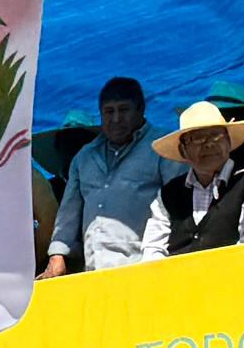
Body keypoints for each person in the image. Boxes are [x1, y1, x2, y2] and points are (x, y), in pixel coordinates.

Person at [43, 78, 160, 275]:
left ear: (141, 110)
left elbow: (176, 208)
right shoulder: (84, 157)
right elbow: (68, 214)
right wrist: (57, 255)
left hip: (146, 267)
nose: (116, 119)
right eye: (109, 111)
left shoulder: (159, 148)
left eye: (124, 110)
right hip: (95, 271)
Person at [133, 103, 244, 258]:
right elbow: (153, 248)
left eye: (216, 135)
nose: (209, 144)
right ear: (183, 150)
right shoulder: (169, 193)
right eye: (198, 138)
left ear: (228, 142)